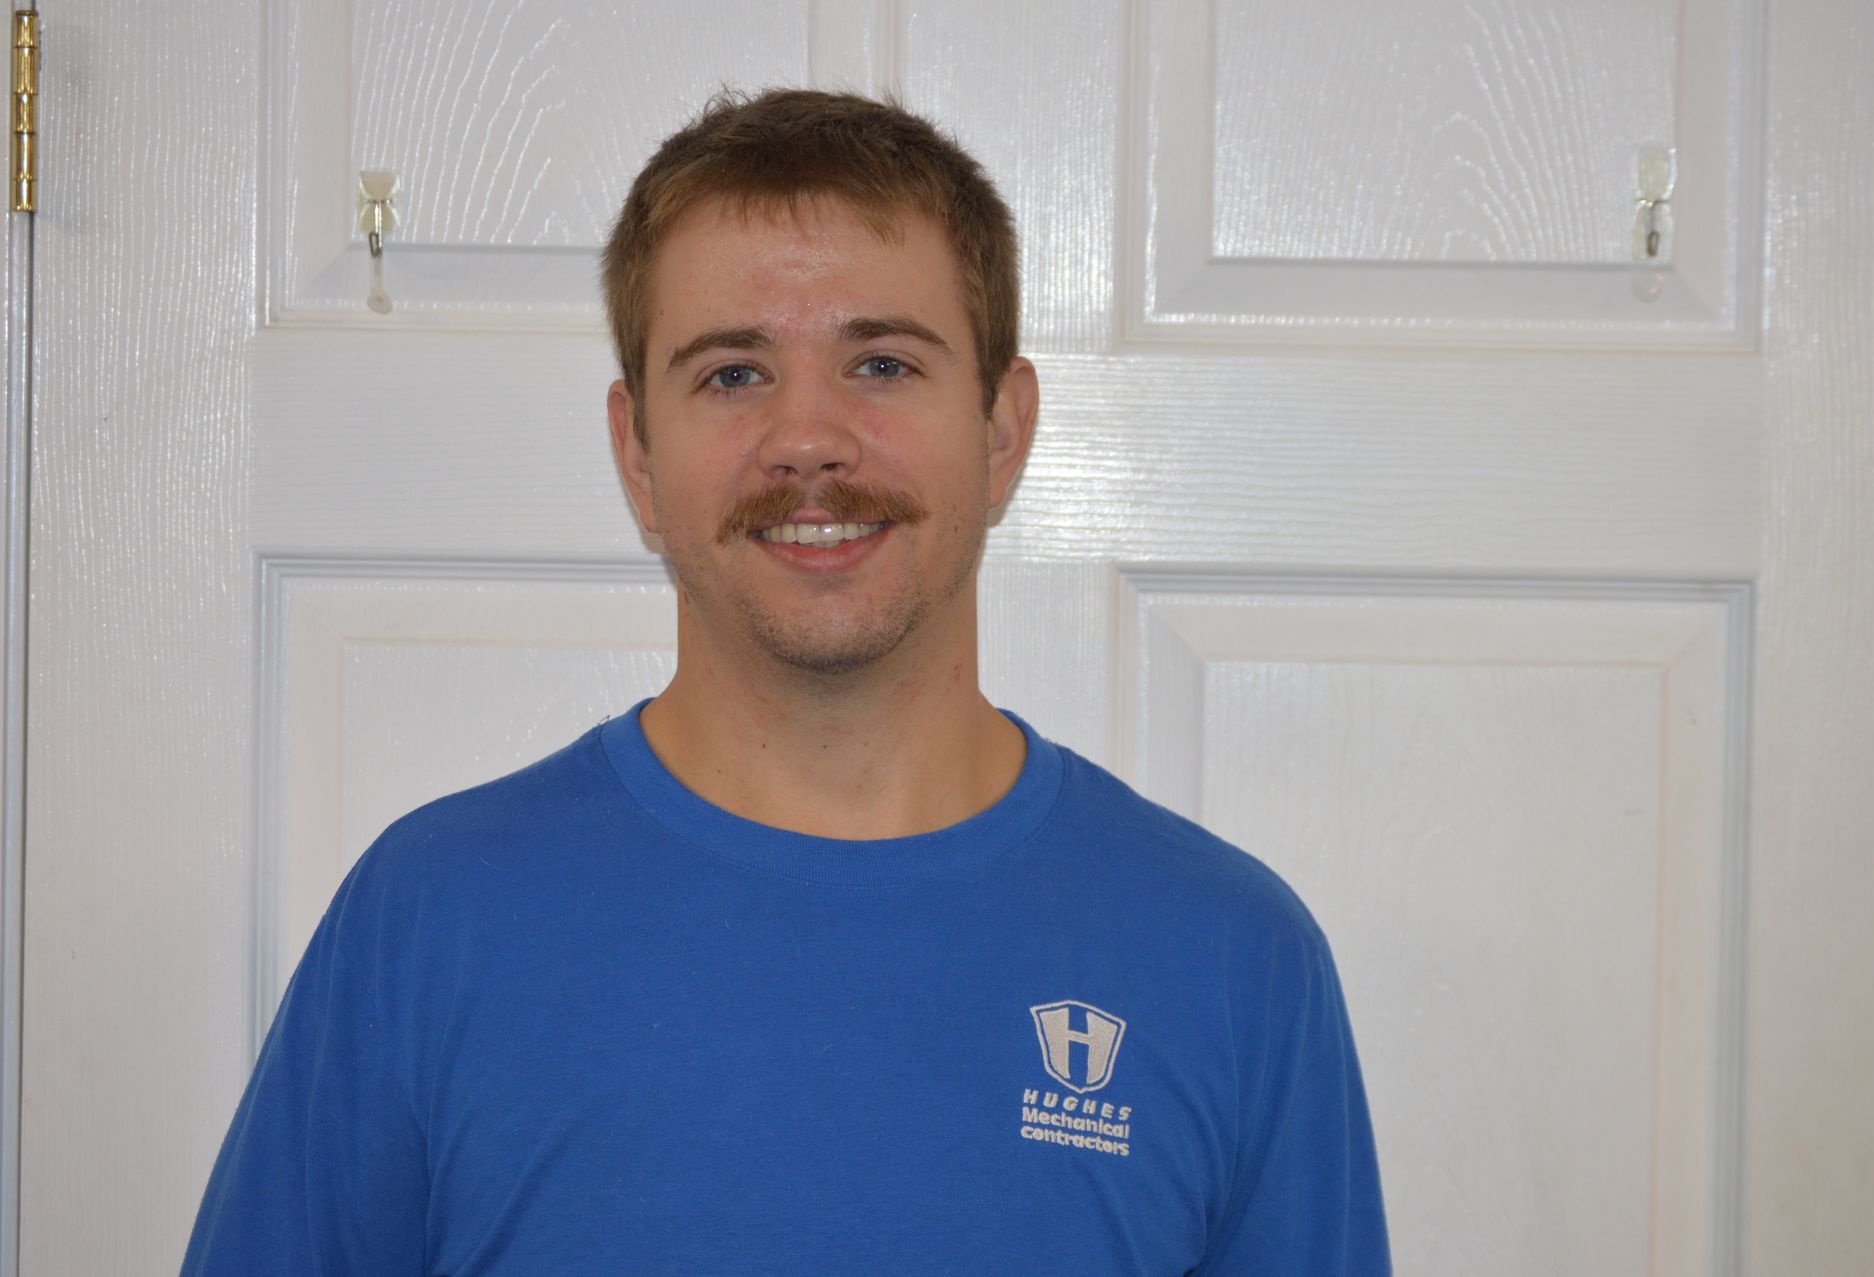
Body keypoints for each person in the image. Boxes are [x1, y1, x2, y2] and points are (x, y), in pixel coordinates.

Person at [181, 88, 1390, 1274]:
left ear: (1004, 428)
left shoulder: (1231, 957)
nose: (807, 439)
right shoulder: (429, 923)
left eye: (880, 363)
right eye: (732, 374)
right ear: (637, 453)